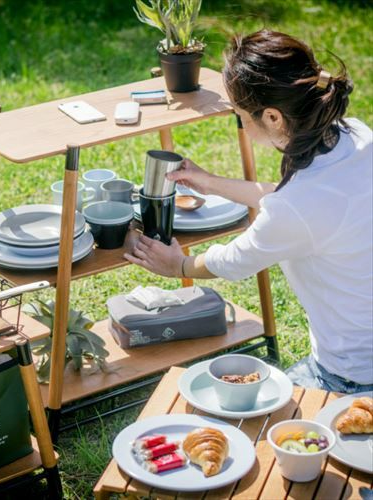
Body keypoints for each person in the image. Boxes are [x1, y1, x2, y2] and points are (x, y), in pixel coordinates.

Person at [124, 29, 373, 394]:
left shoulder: (298, 207)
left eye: (240, 114)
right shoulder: (355, 136)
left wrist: (178, 266)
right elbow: (305, 206)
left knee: (231, 407)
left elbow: (235, 260)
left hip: (351, 376)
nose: (240, 122)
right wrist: (211, 183)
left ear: (272, 117)